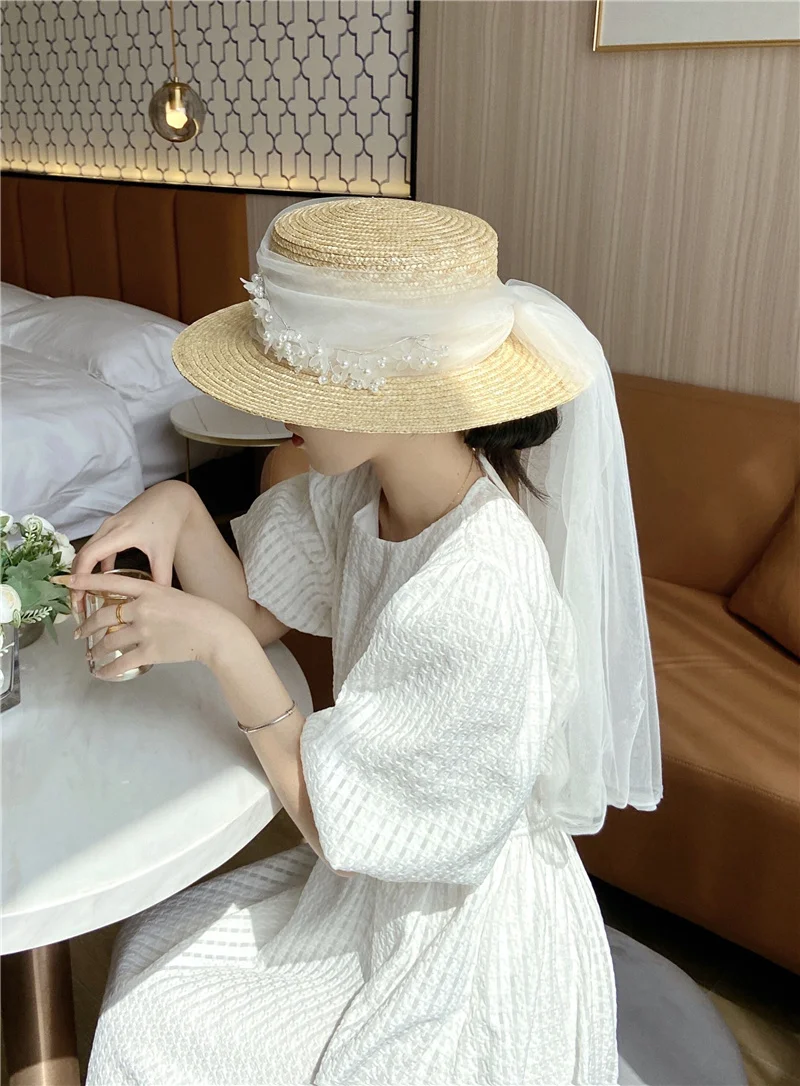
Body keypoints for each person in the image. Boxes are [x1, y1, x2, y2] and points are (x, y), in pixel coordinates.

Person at [64, 197, 661, 1085]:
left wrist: (220, 648)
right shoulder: (362, 490)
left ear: (398, 389)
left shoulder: (479, 585)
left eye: (300, 381)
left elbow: (335, 828)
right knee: (152, 960)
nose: (279, 411)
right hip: (379, 880)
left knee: (159, 1014)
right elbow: (260, 607)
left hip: (459, 929)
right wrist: (179, 509)